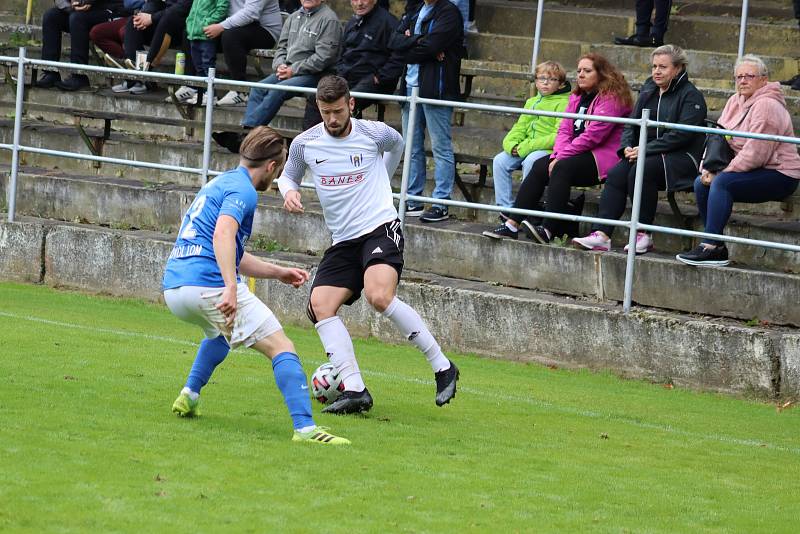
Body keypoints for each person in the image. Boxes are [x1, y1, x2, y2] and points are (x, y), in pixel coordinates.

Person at [278, 75, 460, 415]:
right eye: (324, 112)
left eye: (337, 111)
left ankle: (442, 366)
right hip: (343, 240)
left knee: (379, 296)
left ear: (351, 104)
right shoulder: (306, 143)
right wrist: (289, 191)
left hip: (379, 227)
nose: (331, 119)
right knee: (320, 305)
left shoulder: (374, 133)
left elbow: (398, 145)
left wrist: (383, 178)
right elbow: (288, 174)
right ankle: (356, 390)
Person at [162, 126, 349, 445]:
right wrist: (230, 288)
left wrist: (277, 271)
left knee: (221, 334)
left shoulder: (219, 182)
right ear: (272, 166)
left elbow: (231, 249)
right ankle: (306, 429)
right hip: (208, 284)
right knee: (282, 347)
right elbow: (223, 235)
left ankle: (189, 395)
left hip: (175, 287)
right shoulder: (245, 191)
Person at [573, 45, 707, 254]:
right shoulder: (649, 88)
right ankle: (602, 234)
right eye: (654, 66)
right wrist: (627, 147)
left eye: (663, 67)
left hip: (682, 158)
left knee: (640, 170)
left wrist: (644, 149)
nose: (656, 71)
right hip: (646, 152)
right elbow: (631, 123)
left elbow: (682, 135)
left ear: (678, 68)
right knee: (617, 172)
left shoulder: (691, 96)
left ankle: (643, 234)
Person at [677, 55, 800, 267]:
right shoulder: (735, 100)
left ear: (763, 79)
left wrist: (722, 173)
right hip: (747, 169)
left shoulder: (767, 105)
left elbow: (756, 153)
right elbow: (717, 138)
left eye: (749, 76)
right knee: (701, 183)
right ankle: (716, 245)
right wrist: (707, 167)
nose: (742, 81)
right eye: (738, 77)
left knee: (721, 183)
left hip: (780, 173)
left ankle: (709, 245)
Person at [503, 54, 633, 244]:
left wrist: (560, 157)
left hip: (602, 156)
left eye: (587, 71)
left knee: (561, 167)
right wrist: (557, 154)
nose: (581, 75)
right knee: (540, 166)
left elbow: (593, 136)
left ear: (602, 74)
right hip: (574, 153)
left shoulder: (612, 98)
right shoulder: (576, 96)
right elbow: (564, 129)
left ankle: (548, 228)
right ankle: (512, 224)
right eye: (579, 70)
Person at [212, 0, 342, 153]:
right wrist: (279, 64)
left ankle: (245, 136)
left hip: (316, 74)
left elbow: (324, 57)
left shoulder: (329, 20)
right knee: (258, 88)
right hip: (289, 70)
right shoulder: (293, 17)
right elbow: (281, 48)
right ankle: (249, 137)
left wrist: (293, 70)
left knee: (277, 90)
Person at [481, 60, 570, 239]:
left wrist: (526, 147)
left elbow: (557, 135)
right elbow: (519, 127)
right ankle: (506, 211)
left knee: (532, 162)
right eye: (542, 78)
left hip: (546, 149)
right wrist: (511, 144)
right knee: (500, 160)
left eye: (551, 79)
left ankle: (525, 210)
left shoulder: (564, 103)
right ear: (535, 81)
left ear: (560, 84)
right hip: (524, 146)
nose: (545, 83)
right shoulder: (531, 101)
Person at [396, 0, 465, 223]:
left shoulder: (449, 12)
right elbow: (393, 42)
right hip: (409, 88)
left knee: (440, 147)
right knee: (411, 147)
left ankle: (441, 202)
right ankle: (413, 199)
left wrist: (410, 44)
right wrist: (416, 43)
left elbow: (432, 46)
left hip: (437, 90)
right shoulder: (414, 9)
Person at [301, 0, 404, 129]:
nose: (359, 3)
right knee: (317, 97)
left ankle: (344, 142)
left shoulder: (389, 23)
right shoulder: (353, 21)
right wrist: (338, 72)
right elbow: (341, 52)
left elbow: (399, 57)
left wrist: (380, 77)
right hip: (347, 76)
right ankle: (310, 143)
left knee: (347, 100)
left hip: (374, 80)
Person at [36, 0, 126, 91]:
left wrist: (85, 2)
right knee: (51, 16)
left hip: (110, 10)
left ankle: (79, 76)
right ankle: (50, 73)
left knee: (77, 18)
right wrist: (73, 6)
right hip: (79, 10)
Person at [212, 0, 285, 106]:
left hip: (265, 30)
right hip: (235, 26)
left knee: (231, 36)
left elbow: (250, 14)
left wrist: (221, 26)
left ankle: (240, 91)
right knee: (195, 33)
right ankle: (197, 89)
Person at [113, 0, 193, 95]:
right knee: (134, 21)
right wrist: (144, 15)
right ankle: (136, 77)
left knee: (166, 19)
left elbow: (182, 7)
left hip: (181, 25)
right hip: (162, 18)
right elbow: (155, 3)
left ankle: (145, 71)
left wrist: (152, 17)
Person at [89, 0, 145, 68]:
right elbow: (128, 3)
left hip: (153, 17)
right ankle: (126, 64)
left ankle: (142, 69)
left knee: (124, 31)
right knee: (96, 33)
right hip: (136, 14)